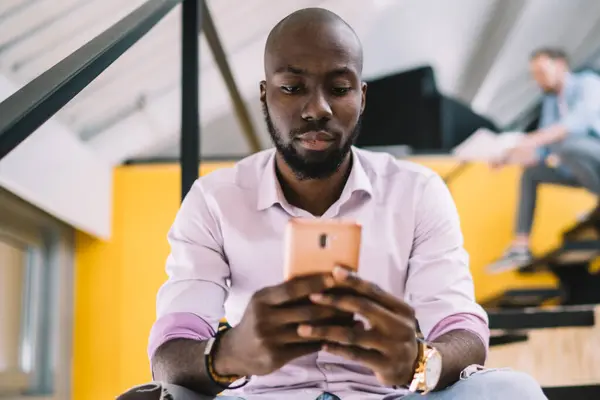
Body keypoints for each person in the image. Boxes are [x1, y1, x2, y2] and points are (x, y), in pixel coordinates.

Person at [146, 8, 545, 400]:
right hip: (260, 397)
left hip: (387, 397)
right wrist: (229, 354)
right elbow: (170, 352)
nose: (317, 108)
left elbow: (461, 329)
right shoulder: (214, 200)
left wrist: (420, 362)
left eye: (338, 89)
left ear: (361, 96)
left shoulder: (418, 191)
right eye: (292, 87)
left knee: (514, 392)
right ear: (265, 96)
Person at [487, 48, 600, 273]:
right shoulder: (551, 102)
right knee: (531, 173)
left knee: (567, 143)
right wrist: (508, 157)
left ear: (560, 65)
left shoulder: (588, 83)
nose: (538, 79)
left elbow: (574, 124)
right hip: (578, 170)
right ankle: (520, 246)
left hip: (594, 155)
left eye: (541, 71)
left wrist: (530, 140)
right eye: (534, 74)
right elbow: (541, 150)